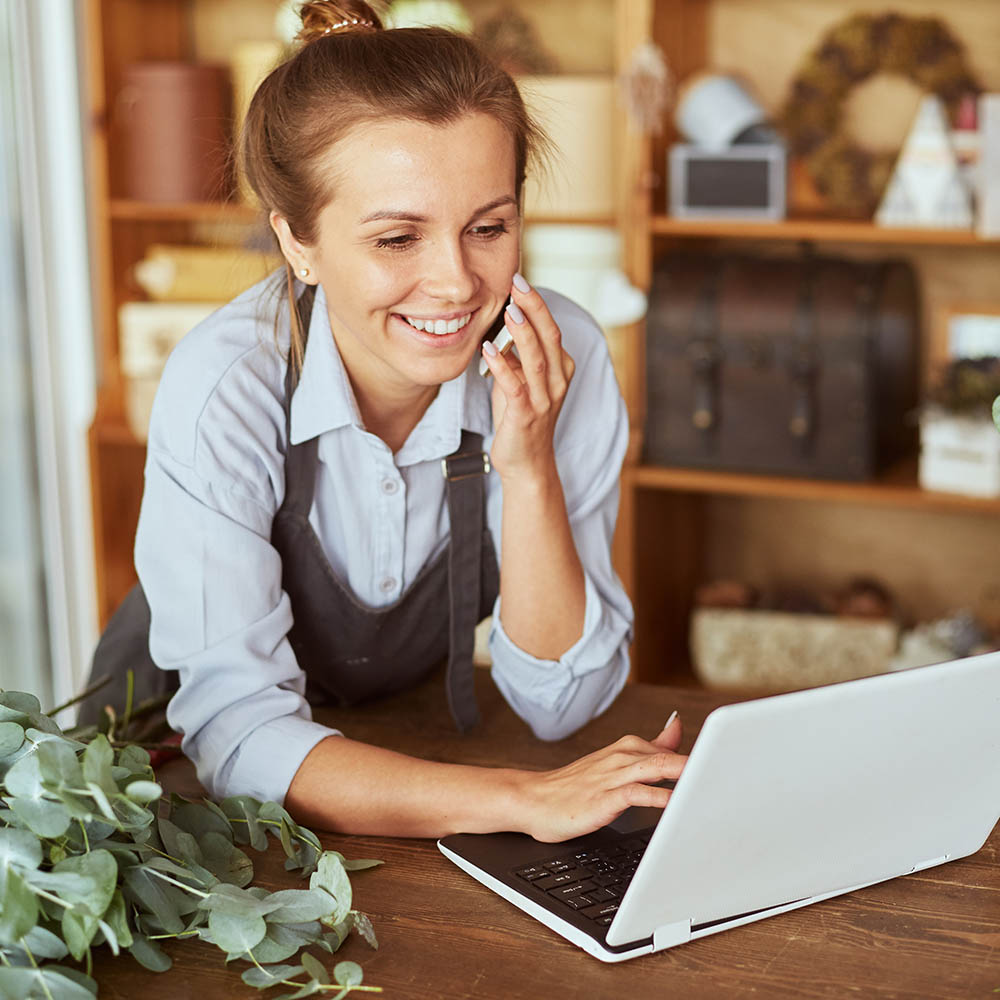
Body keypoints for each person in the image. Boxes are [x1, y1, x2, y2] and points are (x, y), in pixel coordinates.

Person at [89, 0, 686, 843]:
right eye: (398, 238)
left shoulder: (559, 358)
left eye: (489, 227)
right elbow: (241, 738)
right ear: (297, 241)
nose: (455, 283)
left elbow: (564, 705)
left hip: (391, 753)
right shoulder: (227, 384)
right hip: (174, 785)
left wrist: (530, 466)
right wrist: (521, 801)